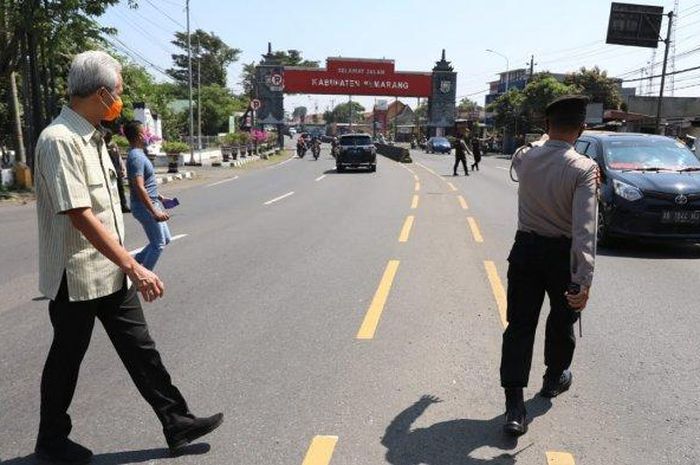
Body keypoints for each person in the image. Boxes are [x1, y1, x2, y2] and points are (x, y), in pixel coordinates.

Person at [33, 50, 222, 464]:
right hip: (77, 274)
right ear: (101, 94)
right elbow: (80, 214)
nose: (121, 97)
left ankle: (177, 421)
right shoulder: (60, 140)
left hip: (108, 271)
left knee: (141, 348)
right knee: (66, 358)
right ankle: (50, 440)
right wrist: (134, 264)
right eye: (118, 91)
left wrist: (123, 266)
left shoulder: (94, 135)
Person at [499, 95, 598, 437]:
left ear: (545, 126)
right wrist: (583, 280)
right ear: (582, 128)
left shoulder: (525, 157)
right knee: (562, 318)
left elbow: (537, 146)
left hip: (525, 250)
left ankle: (514, 406)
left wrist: (546, 137)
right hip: (561, 256)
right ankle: (554, 379)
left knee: (519, 325)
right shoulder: (583, 168)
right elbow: (585, 229)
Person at [125, 120, 172, 271]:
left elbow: (144, 184)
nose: (147, 135)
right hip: (144, 207)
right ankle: (141, 278)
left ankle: (134, 264)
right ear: (140, 136)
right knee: (158, 244)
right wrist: (154, 211)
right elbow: (138, 186)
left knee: (165, 239)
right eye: (145, 132)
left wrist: (159, 197)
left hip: (151, 202)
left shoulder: (139, 154)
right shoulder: (136, 157)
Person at [103, 128, 130, 213]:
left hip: (117, 170)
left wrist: (122, 168)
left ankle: (123, 206)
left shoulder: (113, 145)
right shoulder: (102, 146)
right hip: (109, 172)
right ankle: (113, 207)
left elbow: (119, 157)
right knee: (112, 189)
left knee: (120, 188)